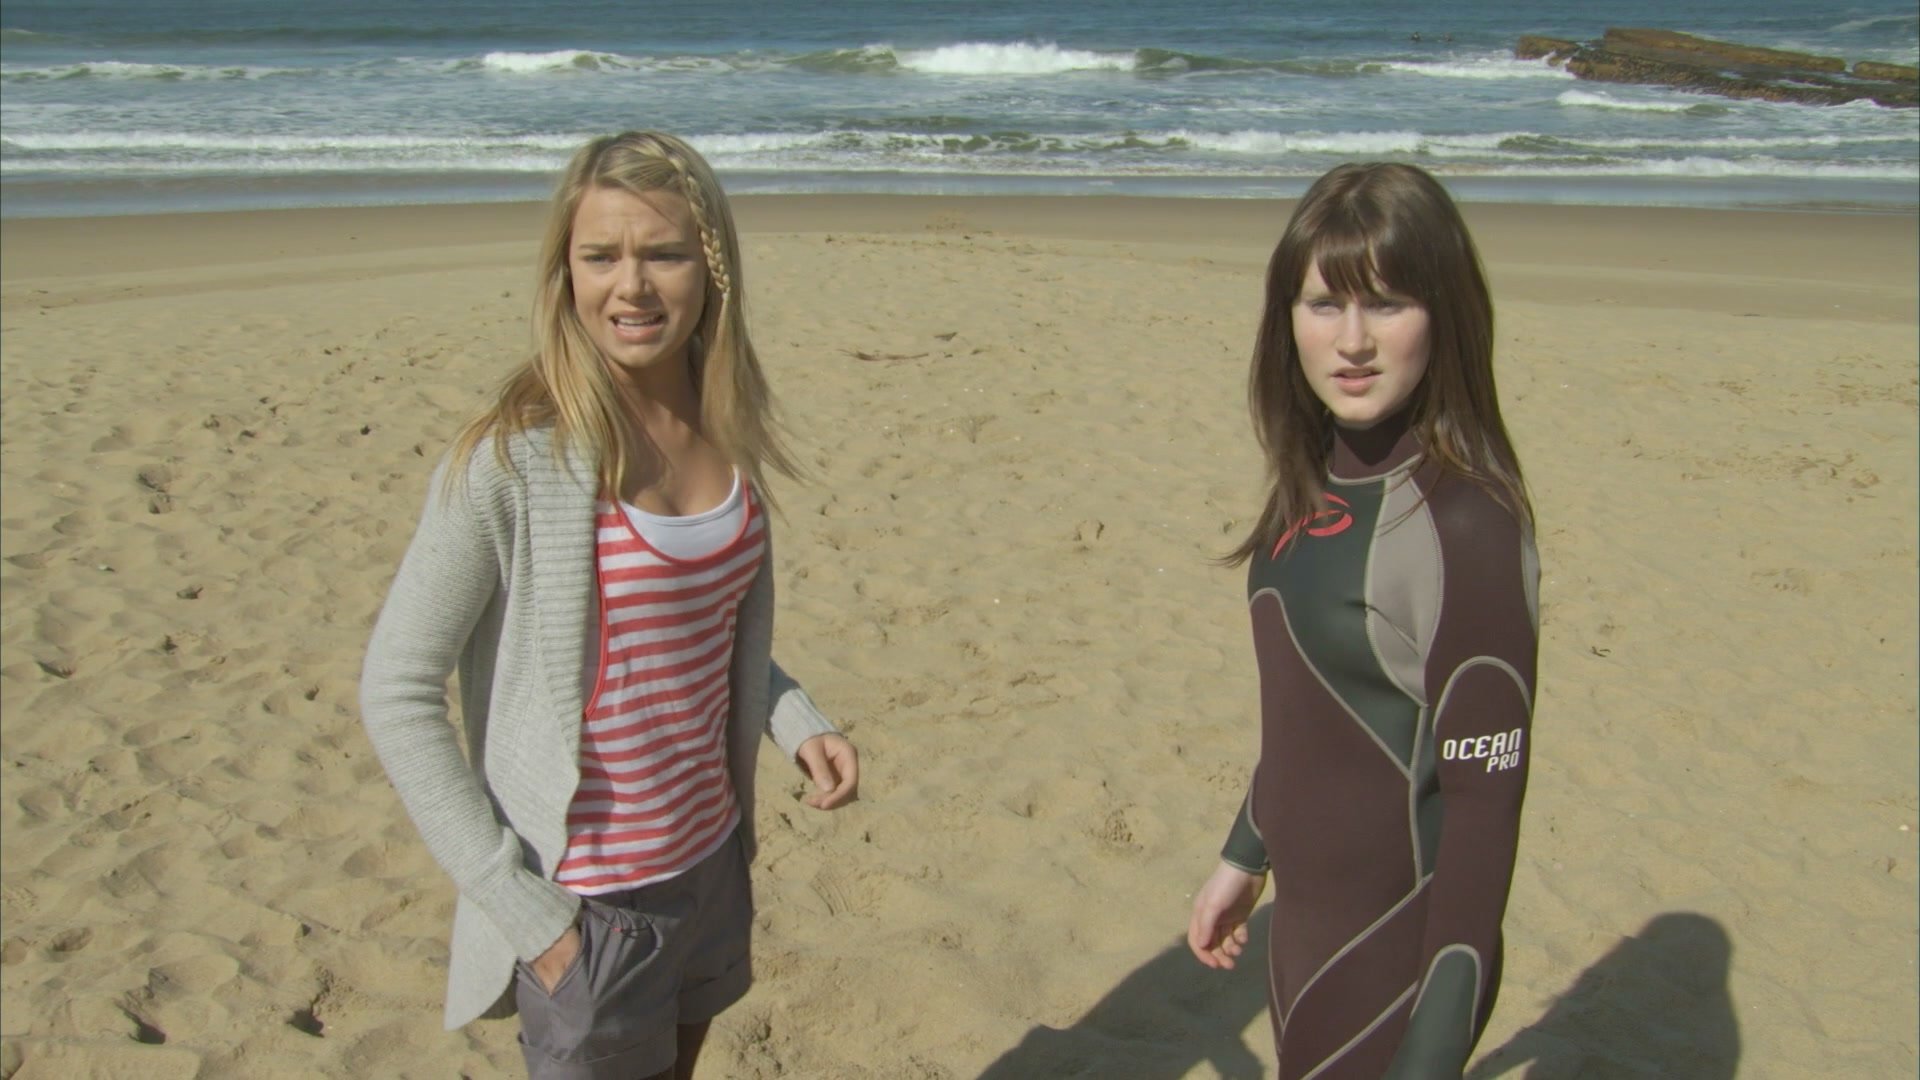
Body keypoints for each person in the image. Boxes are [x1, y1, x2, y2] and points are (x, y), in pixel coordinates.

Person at [359, 130, 860, 1080]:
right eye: (600, 256)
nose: (631, 286)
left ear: (712, 269)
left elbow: (693, 631)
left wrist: (794, 719)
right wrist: (529, 915)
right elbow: (396, 691)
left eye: (663, 254)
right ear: (566, 273)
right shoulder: (513, 460)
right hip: (588, 906)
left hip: (710, 863)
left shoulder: (724, 426)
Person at [1185, 162, 1539, 1079]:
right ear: (1286, 318)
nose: (1352, 341)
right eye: (1323, 304)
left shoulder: (1467, 526)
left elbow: (1481, 830)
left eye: (1385, 303)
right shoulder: (1310, 484)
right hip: (1300, 944)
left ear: (1444, 314)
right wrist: (1244, 853)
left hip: (1396, 968)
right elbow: (1310, 715)